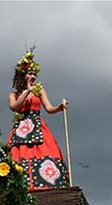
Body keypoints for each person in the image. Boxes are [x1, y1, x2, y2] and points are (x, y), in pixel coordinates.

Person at [7, 49, 69, 190]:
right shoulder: (13, 94)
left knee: (47, 151)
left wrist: (59, 108)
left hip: (38, 127)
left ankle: (47, 182)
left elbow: (48, 108)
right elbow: (15, 107)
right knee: (19, 155)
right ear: (22, 75)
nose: (33, 76)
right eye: (30, 73)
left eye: (34, 74)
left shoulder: (40, 90)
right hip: (20, 130)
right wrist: (27, 91)